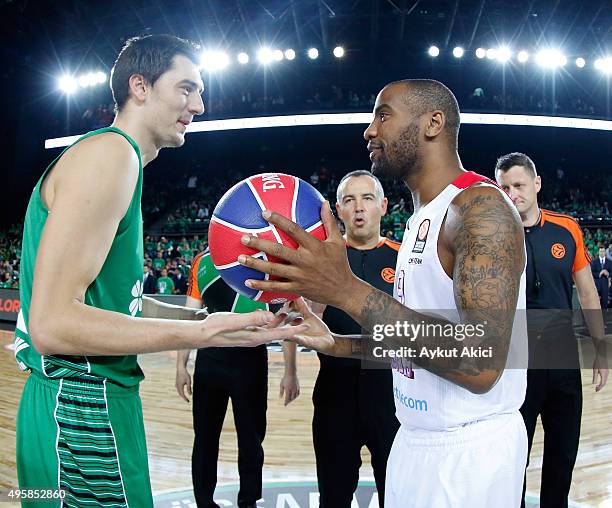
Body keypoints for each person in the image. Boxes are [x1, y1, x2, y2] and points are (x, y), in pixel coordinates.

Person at [13, 34, 306, 507]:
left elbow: (115, 303)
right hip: (81, 408)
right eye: (187, 88)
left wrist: (212, 323)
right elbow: (53, 325)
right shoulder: (112, 157)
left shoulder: (115, 160)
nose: (201, 104)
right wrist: (202, 337)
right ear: (140, 86)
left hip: (80, 404)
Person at [237, 79, 529, 507]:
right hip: (414, 438)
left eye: (383, 114)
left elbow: (479, 362)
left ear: (433, 123)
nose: (369, 130)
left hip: (469, 454)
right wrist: (339, 344)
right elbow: (419, 343)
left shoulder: (480, 208)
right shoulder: (420, 219)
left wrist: (345, 289)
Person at [495, 152, 608, 508]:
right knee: (514, 461)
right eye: (505, 187)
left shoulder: (567, 228)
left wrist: (601, 349)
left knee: (562, 457)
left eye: (519, 185)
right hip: (516, 366)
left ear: (537, 183)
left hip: (562, 362)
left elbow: (587, 292)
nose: (513, 193)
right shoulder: (492, 234)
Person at [176, 251, 299, 508]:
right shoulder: (203, 260)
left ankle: (248, 501)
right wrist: (180, 365)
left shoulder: (267, 261)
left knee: (251, 439)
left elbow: (284, 317)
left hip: (249, 357)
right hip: (212, 355)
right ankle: (205, 502)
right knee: (206, 438)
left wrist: (291, 371)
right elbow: (190, 316)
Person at [310, 170, 399, 507]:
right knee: (333, 497)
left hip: (391, 396)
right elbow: (305, 320)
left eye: (367, 198)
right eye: (349, 200)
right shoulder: (321, 261)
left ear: (383, 206)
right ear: (338, 211)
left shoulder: (404, 259)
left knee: (397, 493)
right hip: (335, 394)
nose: (359, 207)